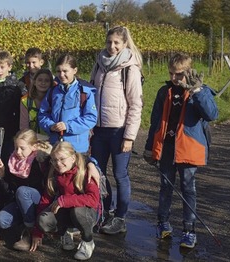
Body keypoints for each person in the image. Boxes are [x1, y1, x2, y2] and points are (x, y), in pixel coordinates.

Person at [144, 53, 218, 249]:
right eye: (171, 73)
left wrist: (198, 91)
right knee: (165, 186)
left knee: (188, 189)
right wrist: (149, 147)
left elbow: (211, 114)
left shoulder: (199, 92)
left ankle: (189, 230)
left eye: (178, 74)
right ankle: (163, 222)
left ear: (189, 72)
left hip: (188, 148)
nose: (174, 78)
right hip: (167, 147)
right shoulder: (164, 91)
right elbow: (155, 121)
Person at [90, 26, 144, 235]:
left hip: (119, 131)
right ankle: (104, 210)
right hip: (99, 130)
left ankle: (120, 218)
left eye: (116, 43)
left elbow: (135, 104)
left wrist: (130, 136)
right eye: (109, 42)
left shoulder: (129, 68)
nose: (112, 47)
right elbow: (91, 94)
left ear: (124, 44)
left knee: (120, 175)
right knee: (99, 174)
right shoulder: (99, 64)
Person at [33, 141, 101, 260]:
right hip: (66, 210)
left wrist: (64, 200)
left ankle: (87, 241)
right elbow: (46, 199)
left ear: (73, 158)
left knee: (77, 212)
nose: (58, 163)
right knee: (43, 220)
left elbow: (93, 200)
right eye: (54, 160)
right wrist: (37, 231)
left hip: (87, 212)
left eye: (62, 159)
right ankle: (65, 231)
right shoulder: (54, 173)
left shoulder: (86, 172)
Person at [0, 129, 52, 251]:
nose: (18, 152)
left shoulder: (41, 161)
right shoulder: (12, 162)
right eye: (16, 148)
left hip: (39, 202)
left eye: (22, 148)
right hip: (20, 202)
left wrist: (91, 163)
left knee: (23, 191)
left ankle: (30, 231)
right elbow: (9, 193)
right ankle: (25, 222)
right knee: (1, 220)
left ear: (34, 147)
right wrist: (2, 175)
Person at [37, 54, 97, 154]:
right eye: (58, 71)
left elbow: (90, 118)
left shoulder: (85, 92)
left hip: (77, 148)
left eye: (65, 71)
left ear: (74, 70)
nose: (61, 75)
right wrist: (50, 125)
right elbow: (43, 114)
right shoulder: (52, 91)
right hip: (55, 146)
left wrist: (68, 126)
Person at [20, 69, 54, 134]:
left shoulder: (55, 100)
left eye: (46, 81)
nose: (43, 83)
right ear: (34, 82)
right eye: (40, 80)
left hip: (51, 138)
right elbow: (24, 127)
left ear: (51, 83)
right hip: (32, 138)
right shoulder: (25, 100)